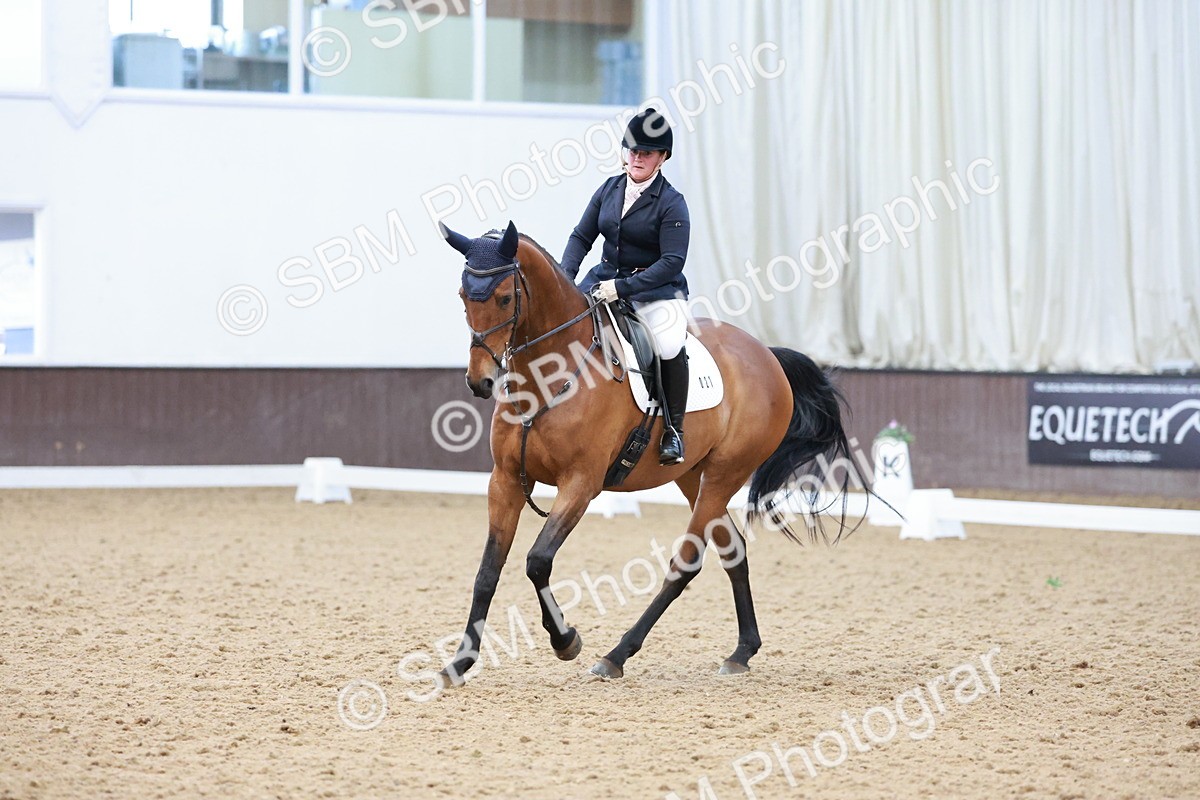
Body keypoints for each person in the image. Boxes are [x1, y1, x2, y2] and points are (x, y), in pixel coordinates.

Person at [560, 108, 691, 465]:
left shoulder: (672, 203)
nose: (637, 158)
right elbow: (581, 236)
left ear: (662, 158)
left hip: (656, 291)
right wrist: (563, 279)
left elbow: (672, 262)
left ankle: (673, 431)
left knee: (667, 344)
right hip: (601, 281)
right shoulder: (610, 189)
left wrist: (624, 287)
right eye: (632, 151)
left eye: (646, 153)